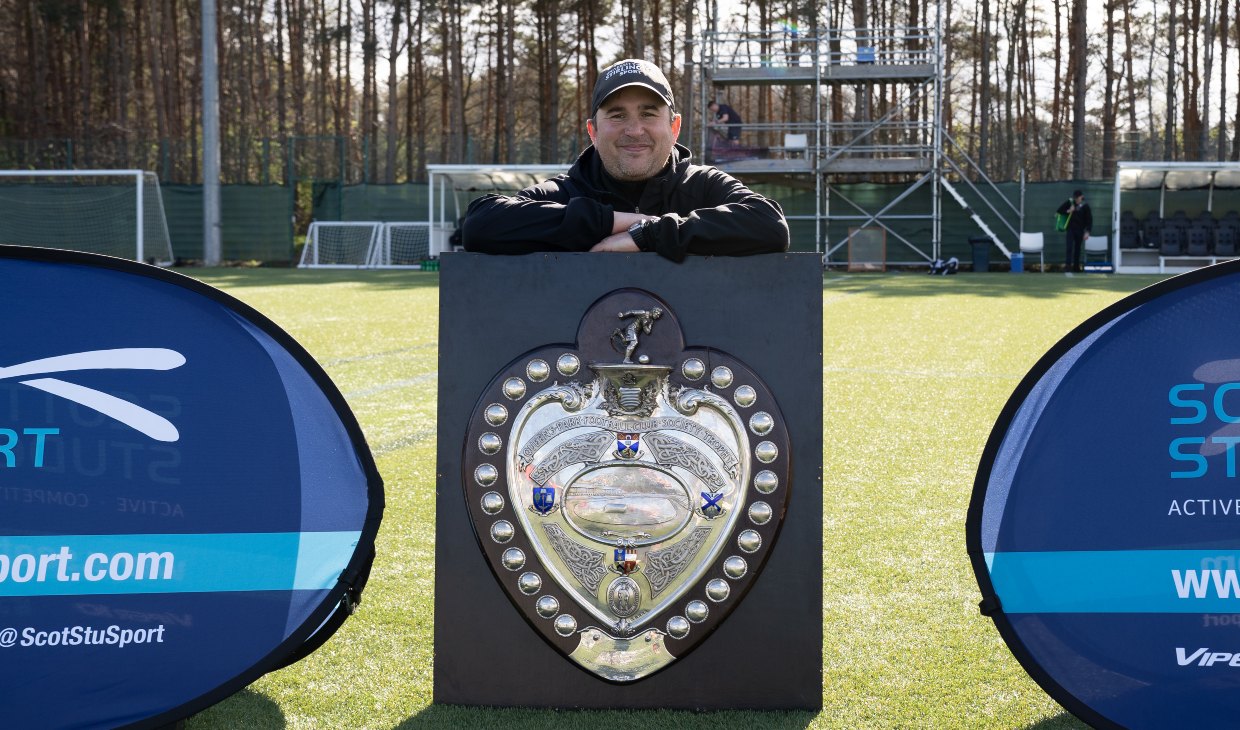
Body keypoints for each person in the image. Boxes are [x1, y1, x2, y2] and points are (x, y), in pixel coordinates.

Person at [462, 59, 788, 262]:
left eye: (648, 114)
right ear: (593, 130)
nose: (635, 130)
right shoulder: (567, 190)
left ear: (674, 127)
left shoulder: (703, 185)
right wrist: (610, 222)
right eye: (617, 115)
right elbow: (481, 223)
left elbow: (769, 225)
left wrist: (650, 234)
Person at [1056, 190, 1093, 273]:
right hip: (1070, 229)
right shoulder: (1070, 203)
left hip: (1080, 230)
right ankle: (1067, 266)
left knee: (1078, 249)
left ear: (1081, 197)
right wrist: (1069, 210)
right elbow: (1059, 211)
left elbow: (1089, 220)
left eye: (1078, 198)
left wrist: (1087, 231)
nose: (1076, 200)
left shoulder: (1085, 206)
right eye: (1075, 198)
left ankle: (1076, 267)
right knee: (1069, 247)